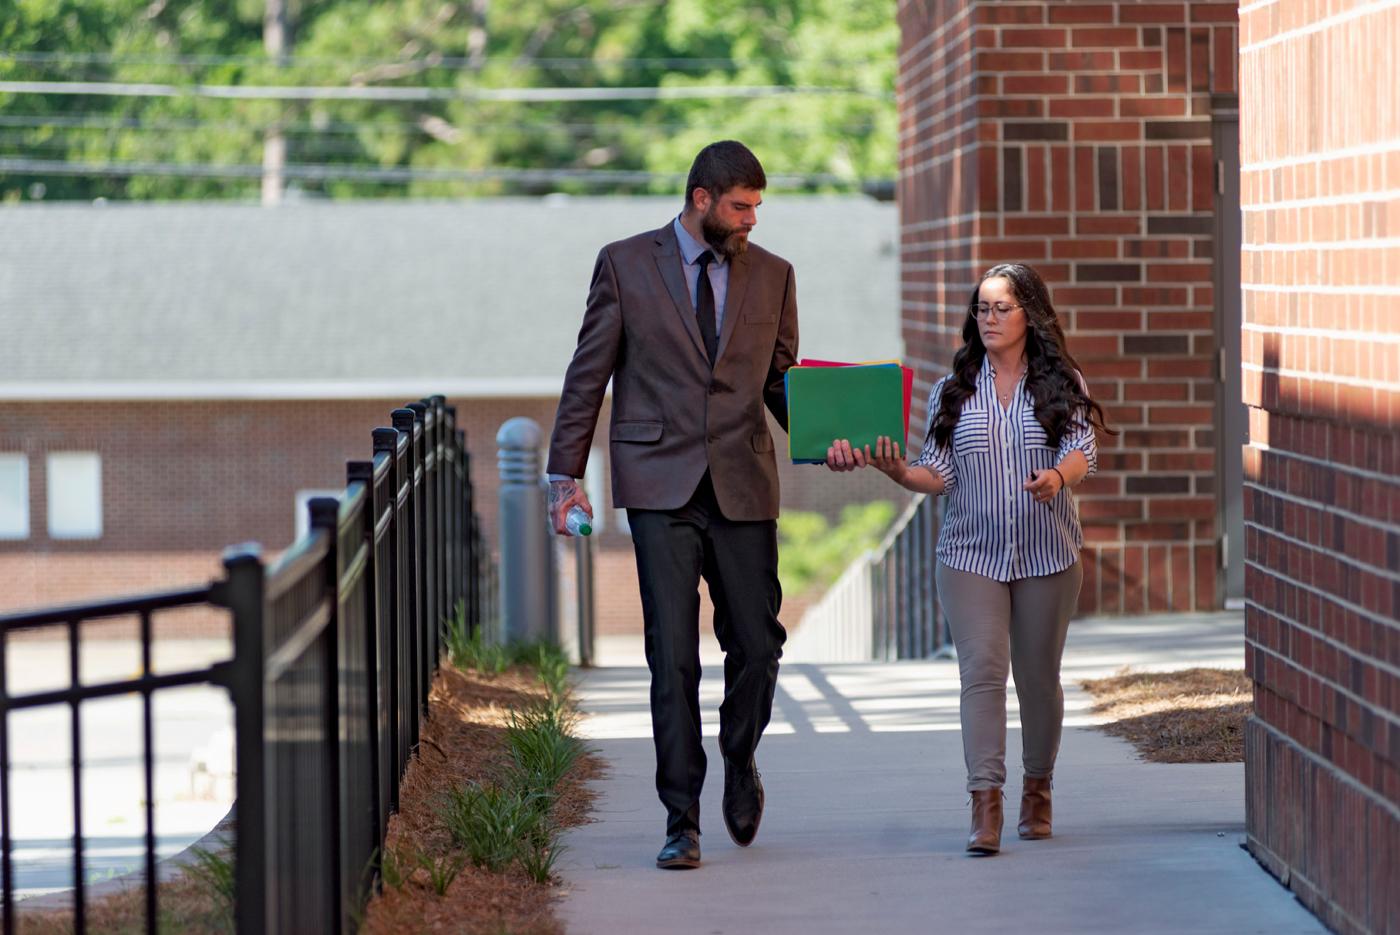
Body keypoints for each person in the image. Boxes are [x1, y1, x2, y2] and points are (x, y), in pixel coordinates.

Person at [546, 140, 798, 869]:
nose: (751, 219)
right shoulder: (625, 264)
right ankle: (680, 817)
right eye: (740, 206)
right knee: (671, 657)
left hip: (743, 482)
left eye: (757, 206)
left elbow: (780, 382)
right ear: (700, 198)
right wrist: (566, 477)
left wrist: (826, 438)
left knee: (758, 642)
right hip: (657, 481)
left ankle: (740, 754)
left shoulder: (775, 276)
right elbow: (587, 373)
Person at [825, 262, 1112, 855]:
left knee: (1038, 681)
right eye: (981, 308)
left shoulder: (1062, 381)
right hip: (969, 556)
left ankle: (1038, 789)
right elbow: (939, 471)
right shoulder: (951, 390)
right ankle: (986, 804)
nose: (988, 318)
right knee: (982, 673)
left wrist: (1059, 476)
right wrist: (899, 470)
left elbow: (1084, 449)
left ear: (1029, 314)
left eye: (1001, 308)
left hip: (1047, 555)